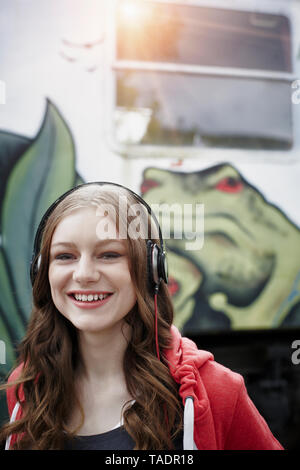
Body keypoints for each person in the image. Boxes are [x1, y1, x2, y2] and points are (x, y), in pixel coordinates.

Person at [0, 182, 283, 450]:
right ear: (41, 271)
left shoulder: (216, 391)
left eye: (109, 254)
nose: (84, 274)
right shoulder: (27, 387)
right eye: (65, 256)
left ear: (151, 269)